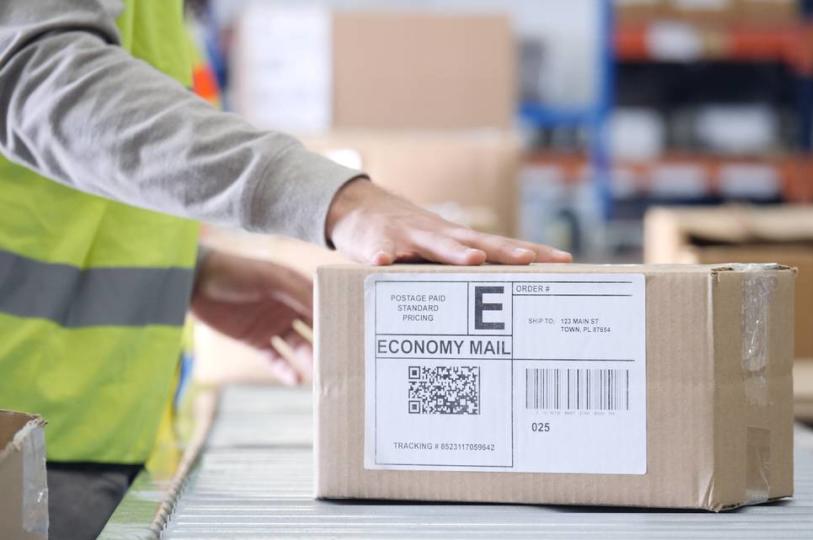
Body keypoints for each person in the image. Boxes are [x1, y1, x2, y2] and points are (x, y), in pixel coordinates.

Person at [0, 2, 571, 538]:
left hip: (77, 445)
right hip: (19, 433)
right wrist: (335, 199)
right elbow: (32, 76)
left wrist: (185, 275)